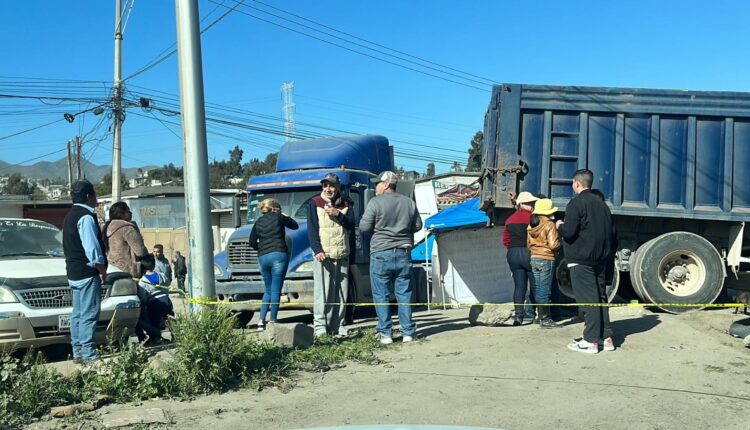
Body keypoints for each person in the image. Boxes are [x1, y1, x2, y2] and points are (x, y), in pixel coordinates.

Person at [359, 171, 422, 344]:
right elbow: (418, 225)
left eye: (377, 183)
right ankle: (408, 332)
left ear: (386, 184)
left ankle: (385, 333)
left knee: (381, 294)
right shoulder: (409, 202)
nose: (375, 187)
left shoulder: (375, 202)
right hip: (403, 252)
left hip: (380, 253)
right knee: (404, 293)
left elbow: (364, 227)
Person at [557, 169, 615, 354]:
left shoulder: (576, 203)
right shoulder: (603, 206)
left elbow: (570, 232)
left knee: (589, 300)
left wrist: (560, 226)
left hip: (581, 259)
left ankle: (590, 341)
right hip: (600, 260)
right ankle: (606, 338)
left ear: (576, 183)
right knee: (600, 298)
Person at [62, 180, 107, 364]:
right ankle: (88, 355)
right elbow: (92, 249)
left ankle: (78, 352)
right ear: (89, 196)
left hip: (73, 273)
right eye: (94, 194)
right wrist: (102, 269)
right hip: (87, 273)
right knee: (89, 314)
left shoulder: (70, 215)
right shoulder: (86, 217)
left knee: (78, 314)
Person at [307, 173, 355, 337]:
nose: (328, 189)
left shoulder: (347, 203)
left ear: (338, 187)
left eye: (332, 185)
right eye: (325, 185)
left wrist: (338, 214)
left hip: (342, 253)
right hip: (324, 254)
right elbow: (312, 229)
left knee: (340, 293)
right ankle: (320, 326)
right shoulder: (314, 203)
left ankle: (338, 325)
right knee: (323, 292)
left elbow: (352, 224)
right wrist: (317, 249)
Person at [249, 198, 299, 331]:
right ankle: (273, 320)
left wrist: (262, 248)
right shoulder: (279, 217)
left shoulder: (258, 222)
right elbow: (295, 225)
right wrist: (283, 214)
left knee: (268, 290)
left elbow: (252, 241)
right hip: (279, 255)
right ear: (275, 209)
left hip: (263, 257)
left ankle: (260, 321)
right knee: (276, 289)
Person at [503, 191, 538, 325]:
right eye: (529, 203)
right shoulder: (533, 218)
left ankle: (518, 317)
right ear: (522, 204)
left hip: (512, 253)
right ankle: (535, 314)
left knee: (519, 286)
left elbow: (505, 239)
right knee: (535, 285)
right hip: (528, 252)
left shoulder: (509, 220)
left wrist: (512, 249)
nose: (532, 205)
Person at [527, 198, 562, 329]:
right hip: (546, 258)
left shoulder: (531, 224)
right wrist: (561, 242)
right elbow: (553, 244)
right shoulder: (549, 224)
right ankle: (545, 319)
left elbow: (528, 244)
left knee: (538, 288)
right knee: (545, 289)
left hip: (534, 257)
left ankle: (539, 316)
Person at [136, 254, 174, 345]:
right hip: (166, 300)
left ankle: (156, 338)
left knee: (154, 322)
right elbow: (167, 283)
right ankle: (175, 334)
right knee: (170, 319)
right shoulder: (161, 275)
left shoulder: (142, 281)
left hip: (154, 303)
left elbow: (143, 297)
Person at [104, 202, 149, 278]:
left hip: (109, 267)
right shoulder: (127, 228)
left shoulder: (107, 228)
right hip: (126, 270)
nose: (131, 213)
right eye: (128, 211)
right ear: (121, 214)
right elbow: (140, 251)